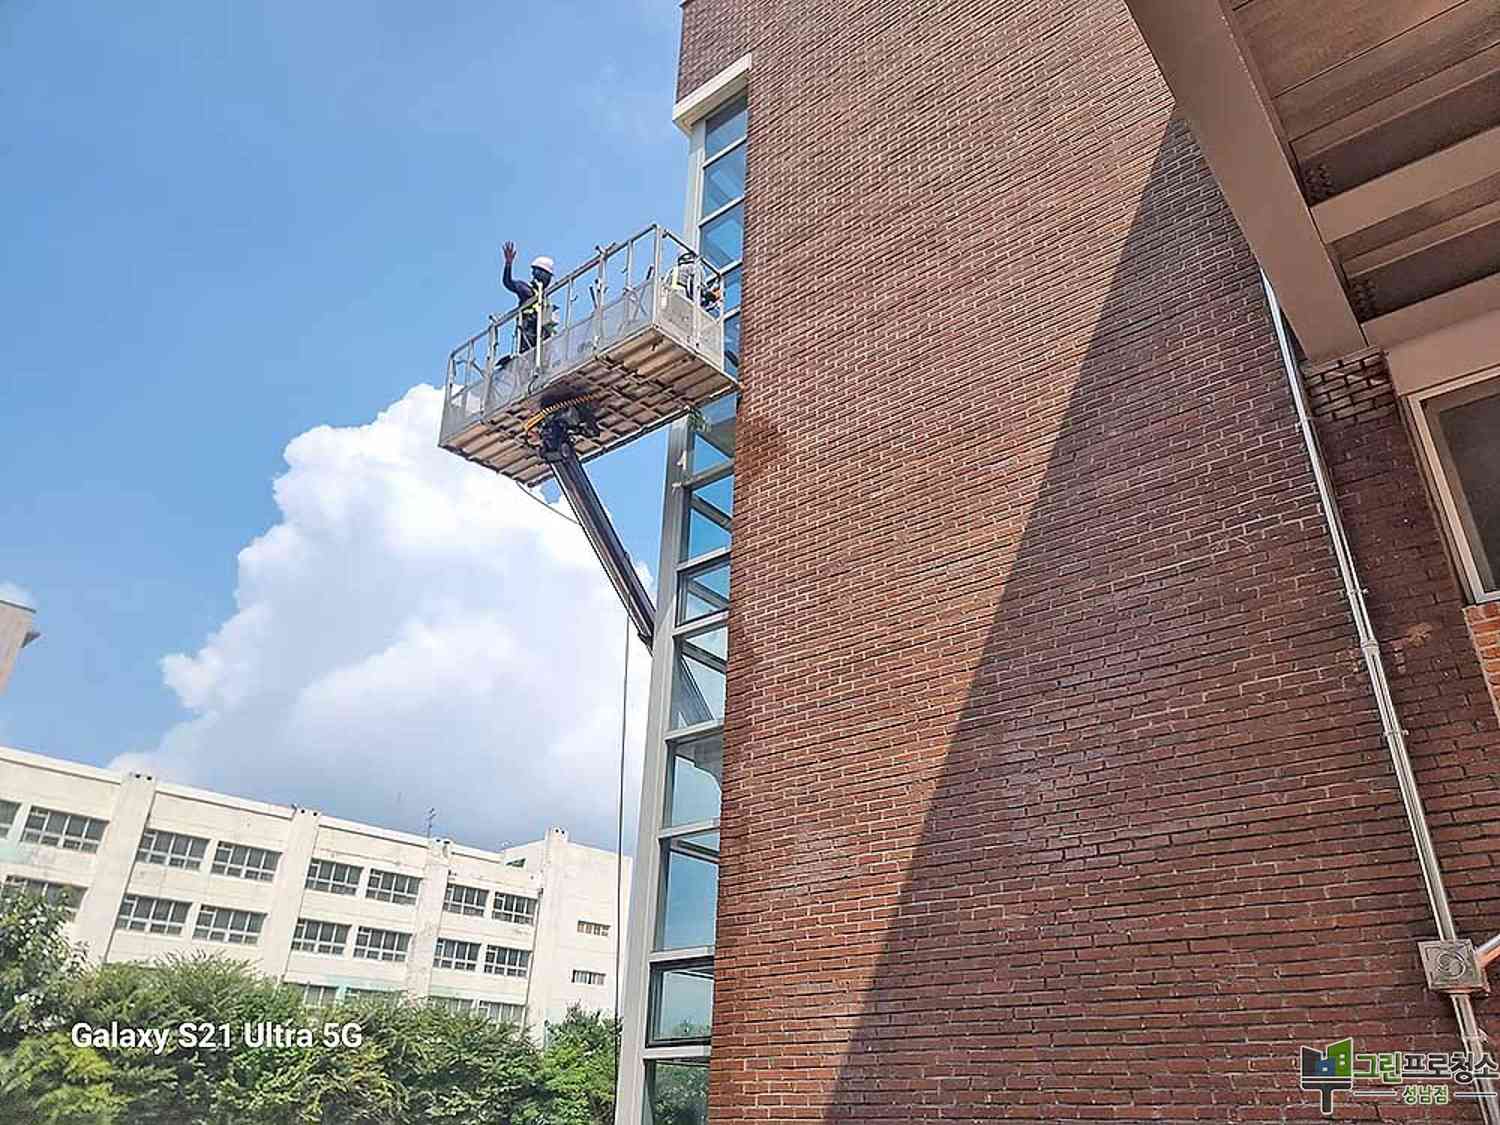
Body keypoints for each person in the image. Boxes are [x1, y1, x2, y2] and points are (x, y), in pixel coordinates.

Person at [501, 240, 558, 362]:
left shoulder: (544, 298)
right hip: (529, 332)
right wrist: (508, 264)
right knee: (527, 361)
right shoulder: (527, 290)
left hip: (543, 336)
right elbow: (508, 283)